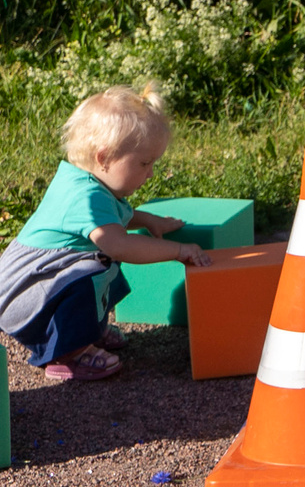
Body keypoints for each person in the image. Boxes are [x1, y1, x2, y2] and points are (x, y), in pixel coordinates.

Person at [0, 86, 198, 381]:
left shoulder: (90, 183)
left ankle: (87, 331)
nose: (151, 173)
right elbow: (120, 245)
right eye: (144, 163)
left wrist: (151, 220)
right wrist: (178, 251)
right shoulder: (85, 197)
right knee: (98, 264)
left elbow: (116, 218)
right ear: (104, 157)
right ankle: (68, 353)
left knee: (97, 264)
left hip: (36, 286)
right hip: (25, 294)